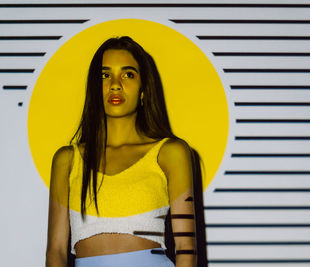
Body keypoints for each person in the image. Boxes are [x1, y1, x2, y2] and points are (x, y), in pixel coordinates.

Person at [45, 36, 207, 267]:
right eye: (105, 74)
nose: (115, 84)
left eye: (128, 74)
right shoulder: (67, 160)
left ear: (144, 89)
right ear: (94, 87)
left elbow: (186, 248)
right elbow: (55, 252)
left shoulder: (170, 153)